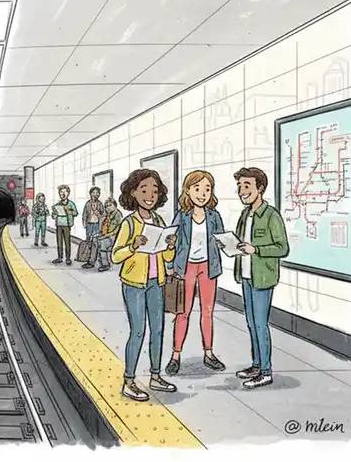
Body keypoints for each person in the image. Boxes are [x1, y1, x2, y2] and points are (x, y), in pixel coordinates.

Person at [111, 169, 177, 402]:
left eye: (155, 191)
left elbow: (167, 259)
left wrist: (170, 246)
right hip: (134, 284)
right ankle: (129, 380)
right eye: (144, 190)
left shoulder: (159, 221)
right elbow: (115, 256)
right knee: (138, 331)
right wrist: (133, 246)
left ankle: (155, 376)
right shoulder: (129, 223)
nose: (150, 195)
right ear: (133, 193)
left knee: (158, 330)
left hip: (156, 283)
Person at [229, 167, 289, 390]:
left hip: (262, 278)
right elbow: (240, 241)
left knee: (261, 325)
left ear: (260, 188)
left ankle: (266, 371)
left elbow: (282, 248)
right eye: (240, 186)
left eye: (247, 186)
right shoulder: (245, 215)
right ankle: (256, 365)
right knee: (251, 323)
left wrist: (257, 249)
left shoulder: (271, 215)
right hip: (245, 275)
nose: (241, 191)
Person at [165, 171, 226, 376]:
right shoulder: (182, 215)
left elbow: (222, 239)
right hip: (187, 267)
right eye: (197, 188)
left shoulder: (214, 216)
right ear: (188, 190)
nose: (202, 194)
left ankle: (208, 353)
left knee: (207, 312)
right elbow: (170, 239)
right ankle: (175, 355)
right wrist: (171, 261)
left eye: (207, 189)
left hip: (208, 267)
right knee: (183, 313)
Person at [50, 185, 78, 265]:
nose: (63, 194)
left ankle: (68, 258)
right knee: (59, 242)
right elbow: (53, 215)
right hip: (59, 224)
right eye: (61, 192)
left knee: (67, 242)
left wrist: (68, 210)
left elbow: (75, 213)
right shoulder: (57, 204)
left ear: (68, 193)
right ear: (59, 193)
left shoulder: (71, 204)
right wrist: (54, 214)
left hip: (67, 225)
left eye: (65, 192)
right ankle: (60, 257)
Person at [94, 197, 123, 271]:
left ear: (115, 205)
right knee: (94, 238)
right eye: (106, 206)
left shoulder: (118, 215)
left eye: (110, 205)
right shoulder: (107, 215)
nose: (108, 208)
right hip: (107, 234)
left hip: (115, 237)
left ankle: (105, 264)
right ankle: (93, 260)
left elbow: (118, 229)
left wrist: (107, 235)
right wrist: (101, 234)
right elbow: (104, 228)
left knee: (102, 243)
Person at [80, 187, 106, 269]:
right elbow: (84, 214)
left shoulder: (100, 204)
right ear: (90, 194)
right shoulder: (88, 203)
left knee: (96, 241)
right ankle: (89, 259)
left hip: (97, 225)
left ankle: (97, 260)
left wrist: (97, 213)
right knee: (89, 241)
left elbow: (104, 215)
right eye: (94, 192)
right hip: (89, 224)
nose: (95, 194)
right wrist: (84, 223)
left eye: (97, 193)